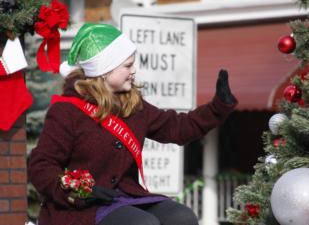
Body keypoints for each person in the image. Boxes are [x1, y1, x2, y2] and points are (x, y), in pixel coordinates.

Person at [28, 23, 238, 225]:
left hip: (125, 196)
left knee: (182, 218)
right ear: (104, 70)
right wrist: (78, 192)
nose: (134, 70)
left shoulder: (133, 104)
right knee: (142, 223)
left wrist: (218, 106)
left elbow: (178, 127)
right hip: (83, 206)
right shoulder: (67, 111)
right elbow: (41, 166)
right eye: (127, 65)